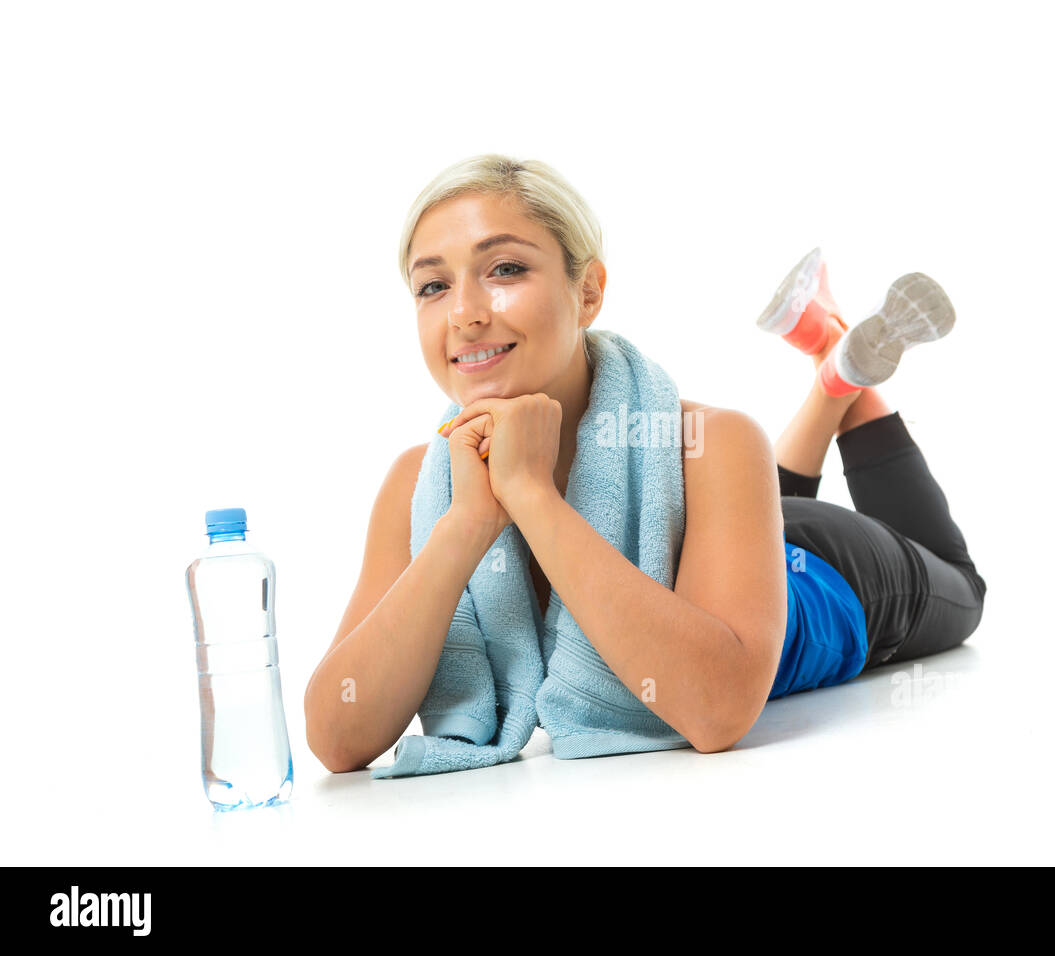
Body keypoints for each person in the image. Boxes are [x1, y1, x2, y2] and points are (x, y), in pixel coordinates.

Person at [303, 154, 987, 774]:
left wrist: (531, 495)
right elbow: (338, 737)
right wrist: (467, 522)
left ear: (589, 292)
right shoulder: (417, 485)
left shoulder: (712, 441)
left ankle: (841, 372)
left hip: (821, 576)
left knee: (960, 585)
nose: (465, 313)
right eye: (432, 287)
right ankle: (829, 358)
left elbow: (715, 712)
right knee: (732, 509)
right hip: (732, 540)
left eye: (505, 269)